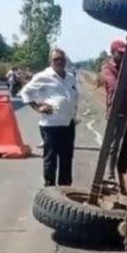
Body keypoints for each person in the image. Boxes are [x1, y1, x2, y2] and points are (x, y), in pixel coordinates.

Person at [20, 49, 79, 186]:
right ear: (50, 61)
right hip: (50, 125)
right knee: (51, 159)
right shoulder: (43, 76)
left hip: (68, 123)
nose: (59, 61)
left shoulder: (70, 77)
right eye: (56, 59)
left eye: (62, 59)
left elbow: (74, 97)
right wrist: (37, 107)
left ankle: (65, 190)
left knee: (66, 158)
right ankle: (49, 189)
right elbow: (25, 92)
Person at [99, 40, 127, 181]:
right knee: (112, 144)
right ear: (113, 52)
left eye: (124, 53)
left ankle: (118, 171)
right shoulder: (107, 68)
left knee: (123, 143)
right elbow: (116, 86)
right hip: (115, 111)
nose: (123, 55)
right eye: (120, 53)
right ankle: (109, 173)